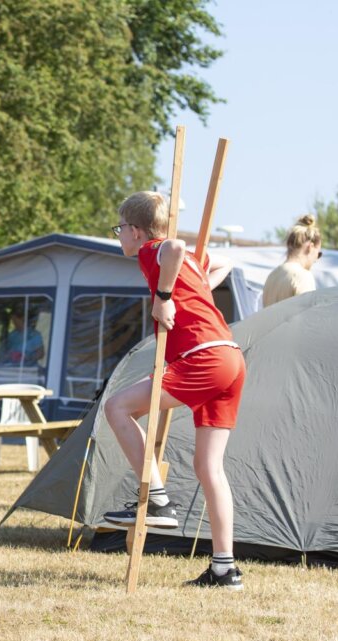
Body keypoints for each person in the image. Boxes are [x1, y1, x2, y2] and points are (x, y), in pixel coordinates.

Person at [103, 191, 246, 590]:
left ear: (134, 230)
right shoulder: (185, 266)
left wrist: (164, 298)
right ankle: (224, 568)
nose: (119, 238)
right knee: (209, 467)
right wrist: (197, 283)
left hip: (204, 357)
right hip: (231, 358)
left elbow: (176, 246)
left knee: (117, 408)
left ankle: (158, 501)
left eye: (119, 230)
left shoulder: (153, 251)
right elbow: (227, 261)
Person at [262, 214, 322, 307]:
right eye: (318, 254)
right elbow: (308, 317)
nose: (316, 260)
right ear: (310, 247)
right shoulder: (303, 276)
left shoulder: (272, 276)